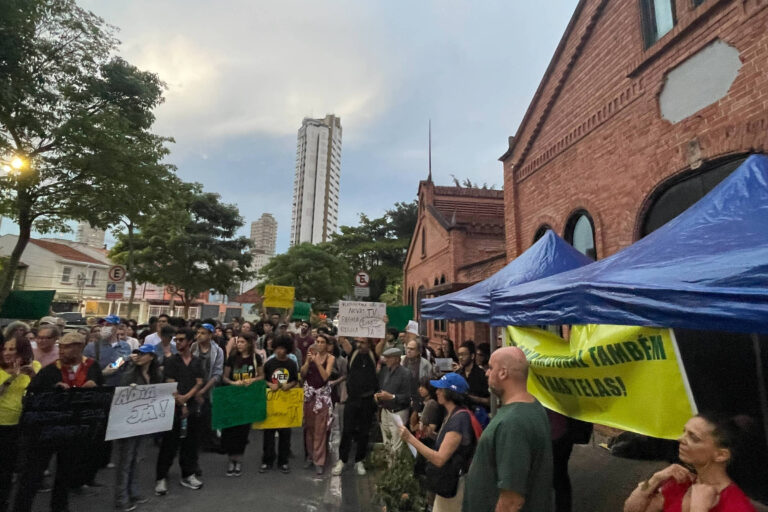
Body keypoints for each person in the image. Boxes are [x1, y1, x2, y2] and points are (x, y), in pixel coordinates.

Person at [13, 332, 103, 512]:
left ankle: (60, 507)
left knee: (65, 473)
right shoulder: (50, 370)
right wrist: (53, 390)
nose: (62, 350)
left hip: (74, 430)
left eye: (68, 346)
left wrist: (95, 389)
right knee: (32, 474)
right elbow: (32, 395)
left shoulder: (92, 367)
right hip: (45, 431)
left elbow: (102, 396)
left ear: (80, 347)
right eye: (61, 346)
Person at [462, 346, 553, 512]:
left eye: (490, 368)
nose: (487, 373)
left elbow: (512, 500)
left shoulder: (514, 423)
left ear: (503, 373)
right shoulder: (531, 406)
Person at [623, 413, 756, 512]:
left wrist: (698, 508)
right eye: (684, 432)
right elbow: (630, 510)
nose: (681, 439)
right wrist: (653, 480)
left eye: (694, 437)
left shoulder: (737, 506)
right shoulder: (683, 480)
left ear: (720, 455)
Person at [400, 373, 476, 512]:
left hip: (453, 484)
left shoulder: (459, 420)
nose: (437, 392)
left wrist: (410, 439)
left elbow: (440, 459)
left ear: (451, 393)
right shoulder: (453, 414)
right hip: (448, 482)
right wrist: (434, 436)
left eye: (441, 389)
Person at [155, 327, 204, 495]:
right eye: (176, 340)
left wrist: (187, 399)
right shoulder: (171, 361)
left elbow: (199, 382)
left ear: (190, 341)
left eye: (182, 340)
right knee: (169, 445)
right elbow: (170, 383)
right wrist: (180, 403)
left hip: (191, 409)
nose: (178, 343)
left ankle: (188, 474)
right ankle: (161, 477)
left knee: (190, 444)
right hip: (173, 409)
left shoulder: (197, 361)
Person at [114, 344, 162, 511]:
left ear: (151, 356)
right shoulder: (129, 374)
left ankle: (133, 491)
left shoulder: (156, 375)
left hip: (145, 422)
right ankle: (122, 497)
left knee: (138, 458)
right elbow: (121, 397)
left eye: (143, 354)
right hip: (128, 423)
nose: (139, 356)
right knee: (126, 460)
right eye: (138, 353)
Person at [0, 336, 40, 511]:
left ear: (22, 351)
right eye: (5, 349)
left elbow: (41, 393)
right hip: (2, 422)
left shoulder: (34, 366)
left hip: (20, 424)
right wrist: (12, 377)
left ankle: (3, 502)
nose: (7, 353)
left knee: (8, 469)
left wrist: (33, 376)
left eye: (12, 349)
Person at [333, 336, 378, 476]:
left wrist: (384, 323)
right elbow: (342, 339)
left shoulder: (373, 355)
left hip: (367, 400)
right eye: (358, 342)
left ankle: (360, 460)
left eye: (363, 342)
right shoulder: (352, 353)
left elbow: (381, 342)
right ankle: (342, 460)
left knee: (364, 432)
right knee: (347, 430)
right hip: (352, 399)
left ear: (369, 344)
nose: (360, 345)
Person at [221, 331, 264, 477]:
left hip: (248, 399)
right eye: (238, 342)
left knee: (243, 430)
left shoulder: (255, 358)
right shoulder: (232, 358)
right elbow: (225, 377)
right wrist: (234, 383)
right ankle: (230, 459)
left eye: (242, 342)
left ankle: (238, 459)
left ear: (249, 344)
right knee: (231, 430)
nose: (239, 344)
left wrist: (252, 381)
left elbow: (262, 375)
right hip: (233, 397)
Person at [260, 334, 299, 474]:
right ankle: (267, 460)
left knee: (285, 433)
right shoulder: (269, 364)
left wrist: (290, 385)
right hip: (271, 403)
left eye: (282, 348)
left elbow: (296, 380)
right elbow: (262, 379)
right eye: (277, 348)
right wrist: (270, 384)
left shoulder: (291, 364)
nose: (279, 351)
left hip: (286, 402)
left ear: (287, 349)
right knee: (268, 433)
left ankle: (283, 461)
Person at [300, 335, 335, 474]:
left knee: (320, 429)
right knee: (309, 428)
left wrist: (317, 362)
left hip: (322, 397)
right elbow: (302, 374)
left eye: (322, 342)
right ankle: (310, 456)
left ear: (327, 345)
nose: (319, 344)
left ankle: (319, 460)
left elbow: (326, 376)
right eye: (317, 342)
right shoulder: (310, 355)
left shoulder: (330, 358)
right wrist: (308, 362)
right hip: (309, 396)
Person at [191, 323, 224, 452]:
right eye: (198, 333)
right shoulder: (193, 347)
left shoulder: (218, 351)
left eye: (203, 333)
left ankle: (208, 442)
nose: (199, 335)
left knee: (207, 413)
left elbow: (217, 372)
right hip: (193, 386)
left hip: (209, 387)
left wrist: (203, 390)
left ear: (210, 335)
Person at [375, 347, 413, 454]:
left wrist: (391, 397)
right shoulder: (384, 371)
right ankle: (389, 466)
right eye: (385, 357)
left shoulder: (406, 373)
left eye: (388, 358)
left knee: (396, 444)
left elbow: (407, 396)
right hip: (385, 411)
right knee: (387, 442)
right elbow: (380, 387)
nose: (385, 360)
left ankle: (395, 469)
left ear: (397, 359)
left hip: (398, 412)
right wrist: (377, 395)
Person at [454, 341, 490, 412]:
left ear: (472, 356)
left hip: (478, 413)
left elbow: (490, 401)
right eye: (459, 355)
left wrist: (471, 398)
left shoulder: (482, 375)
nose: (461, 357)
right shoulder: (458, 374)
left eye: (464, 354)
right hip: (460, 412)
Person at [402, 338, 435, 406]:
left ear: (419, 351)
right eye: (407, 348)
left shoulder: (426, 365)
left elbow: (429, 385)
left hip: (419, 399)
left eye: (412, 349)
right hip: (402, 398)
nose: (408, 351)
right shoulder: (401, 361)